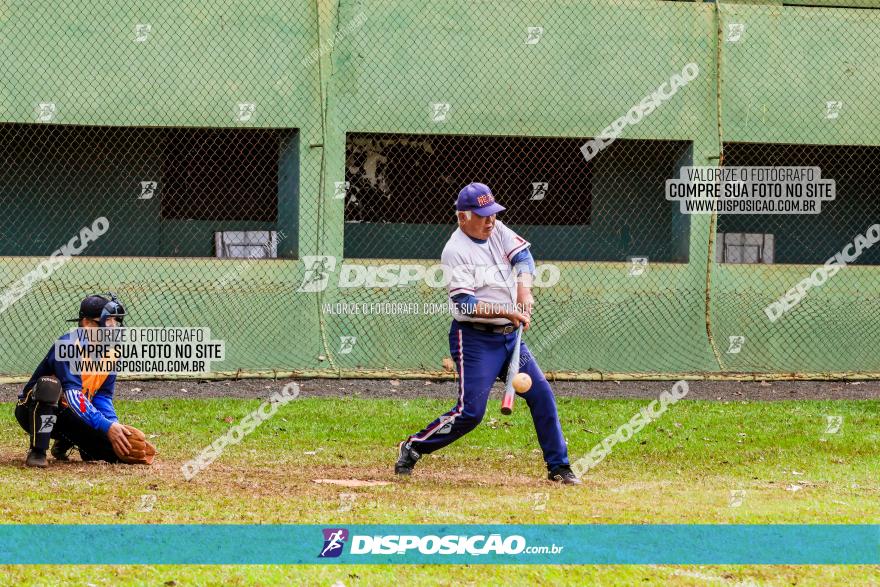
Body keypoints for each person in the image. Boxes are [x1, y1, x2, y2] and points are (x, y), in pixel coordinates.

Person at [395, 182, 580, 484]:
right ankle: (414, 446)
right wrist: (507, 310)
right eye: (482, 215)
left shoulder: (496, 229)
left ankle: (559, 467)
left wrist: (524, 290)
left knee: (542, 395)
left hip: (510, 338)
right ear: (462, 217)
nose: (490, 220)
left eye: (492, 213)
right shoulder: (455, 251)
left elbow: (524, 258)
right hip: (475, 340)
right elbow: (465, 305)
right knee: (470, 413)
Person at [14, 293, 134, 467]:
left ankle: (67, 441)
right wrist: (106, 426)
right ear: (87, 323)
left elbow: (103, 397)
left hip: (71, 415)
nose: (113, 327)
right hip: (33, 411)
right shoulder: (69, 346)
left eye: (115, 321)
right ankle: (38, 450)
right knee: (50, 386)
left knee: (114, 453)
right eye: (108, 321)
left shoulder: (113, 351)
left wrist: (113, 425)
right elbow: (73, 397)